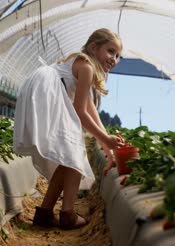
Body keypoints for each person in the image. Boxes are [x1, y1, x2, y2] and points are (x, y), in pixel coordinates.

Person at [13, 28, 124, 229]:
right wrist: (106, 141)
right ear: (93, 47)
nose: (114, 59)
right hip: (46, 93)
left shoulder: (83, 66)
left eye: (118, 56)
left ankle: (45, 213)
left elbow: (92, 111)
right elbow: (80, 113)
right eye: (110, 51)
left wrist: (109, 150)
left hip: (43, 90)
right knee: (73, 153)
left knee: (68, 157)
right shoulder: (87, 68)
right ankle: (67, 214)